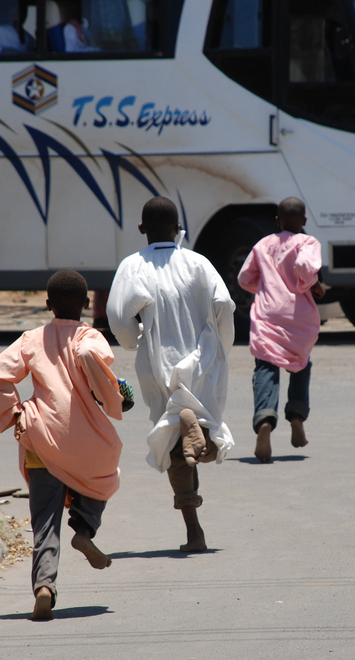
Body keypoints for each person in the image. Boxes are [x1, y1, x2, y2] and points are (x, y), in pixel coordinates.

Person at [0, 269, 129, 621]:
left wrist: (15, 416)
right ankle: (83, 529)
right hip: (86, 442)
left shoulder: (31, 339)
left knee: (44, 524)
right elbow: (94, 361)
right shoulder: (90, 337)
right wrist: (115, 395)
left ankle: (44, 587)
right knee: (106, 478)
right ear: (86, 303)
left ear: (47, 304)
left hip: (41, 440)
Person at [107, 196, 235, 553]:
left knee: (175, 443)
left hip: (159, 363)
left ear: (141, 229)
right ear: (179, 228)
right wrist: (221, 346)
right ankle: (199, 434)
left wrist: (133, 341)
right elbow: (224, 304)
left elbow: (118, 317)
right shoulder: (199, 262)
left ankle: (194, 532)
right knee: (201, 435)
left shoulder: (133, 266)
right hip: (203, 360)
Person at [237, 197, 325, 462]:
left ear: (277, 221)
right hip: (298, 316)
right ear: (304, 222)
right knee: (301, 363)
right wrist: (310, 284)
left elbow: (244, 278)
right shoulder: (308, 242)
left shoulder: (263, 244)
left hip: (268, 314)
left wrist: (263, 288)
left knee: (265, 366)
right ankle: (297, 416)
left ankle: (265, 419)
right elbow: (304, 267)